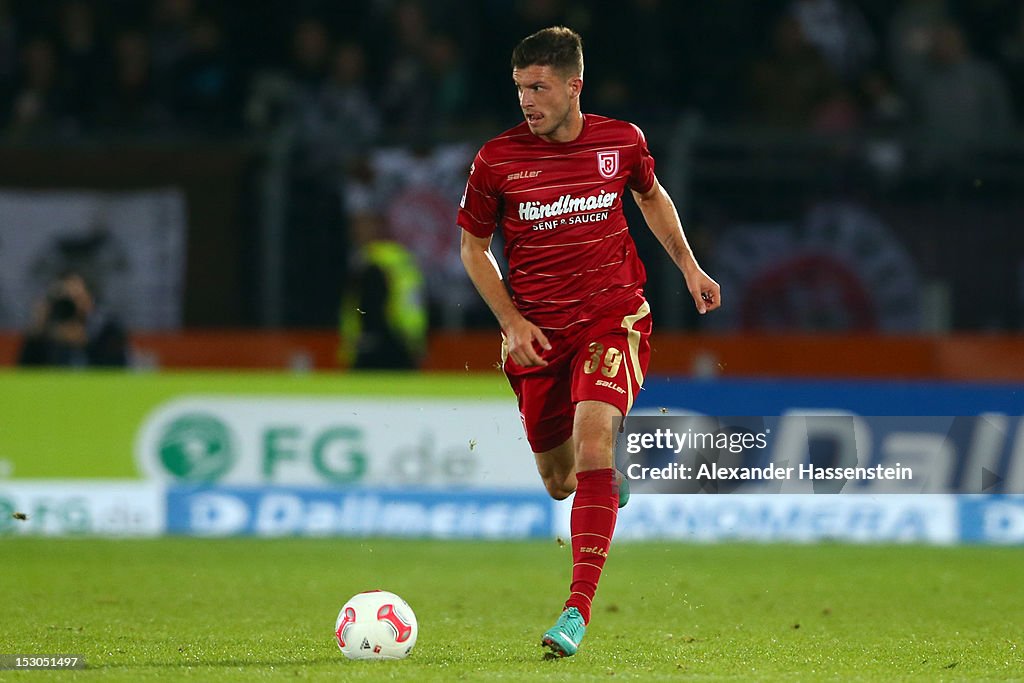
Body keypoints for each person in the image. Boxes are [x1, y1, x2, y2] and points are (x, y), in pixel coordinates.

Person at [456, 26, 720, 657]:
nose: (527, 100)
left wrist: (689, 267)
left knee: (595, 434)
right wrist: (512, 323)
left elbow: (651, 199)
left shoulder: (621, 141)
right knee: (558, 479)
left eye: (539, 87)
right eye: (520, 88)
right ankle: (606, 480)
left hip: (614, 315)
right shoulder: (497, 159)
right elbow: (473, 248)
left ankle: (575, 610)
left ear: (574, 86)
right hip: (538, 334)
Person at [17, 271, 129, 367]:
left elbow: (115, 372)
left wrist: (85, 343)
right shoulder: (44, 334)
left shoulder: (108, 329)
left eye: (76, 298)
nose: (69, 306)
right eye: (64, 300)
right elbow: (25, 377)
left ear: (89, 299)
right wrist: (36, 333)